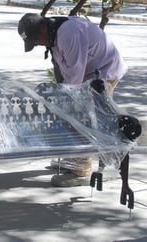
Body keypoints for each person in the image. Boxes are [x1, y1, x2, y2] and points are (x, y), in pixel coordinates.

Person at [17, 13, 128, 187]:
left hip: (105, 72)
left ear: (43, 28)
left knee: (82, 115)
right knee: (73, 111)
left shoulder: (68, 34)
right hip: (88, 74)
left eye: (37, 40)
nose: (38, 44)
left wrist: (63, 101)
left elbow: (75, 80)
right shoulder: (53, 36)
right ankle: (72, 158)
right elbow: (66, 73)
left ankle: (80, 169)